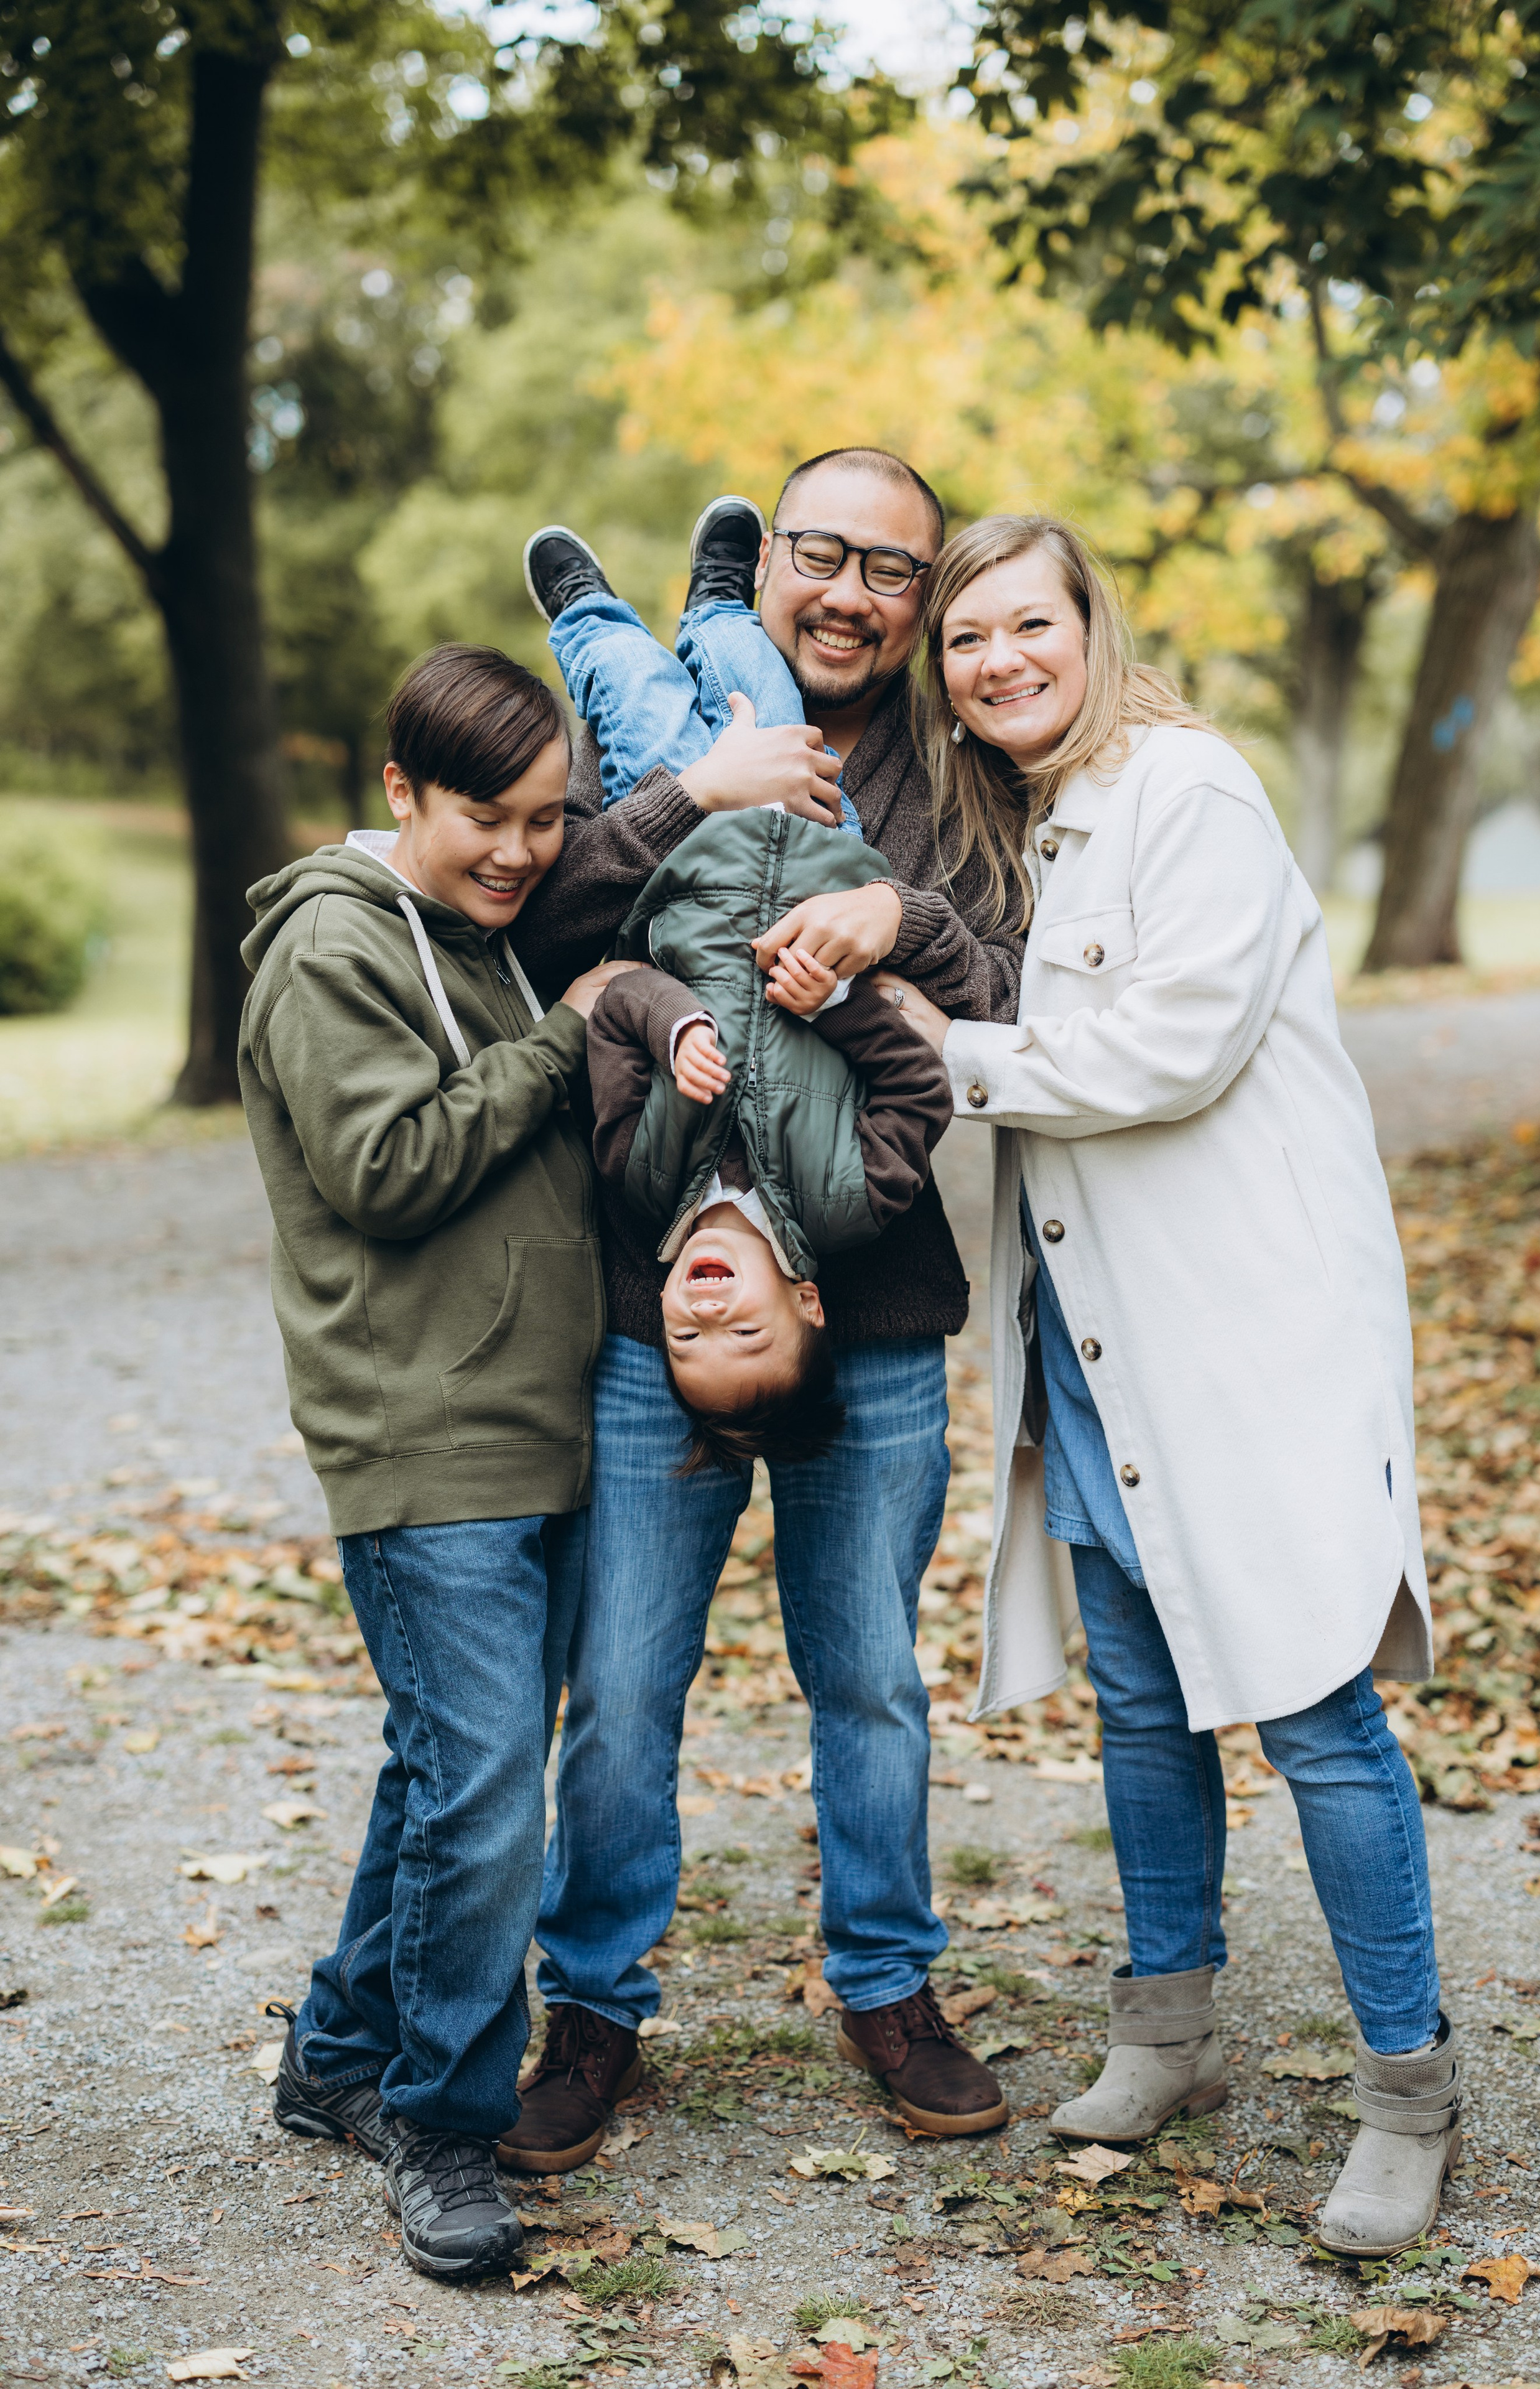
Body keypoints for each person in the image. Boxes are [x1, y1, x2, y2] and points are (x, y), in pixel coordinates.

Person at [895, 511, 1456, 2261]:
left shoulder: (1186, 790)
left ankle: (1409, 2094)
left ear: (1088, 622)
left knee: (1313, 1708)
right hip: (1095, 1330)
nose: (995, 661)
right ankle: (1168, 2032)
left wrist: (949, 1059)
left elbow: (1174, 1046)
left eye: (1022, 625)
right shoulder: (1040, 820)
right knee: (1141, 1703)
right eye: (965, 640)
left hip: (1248, 1323)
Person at [497, 449, 1027, 2173]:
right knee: (626, 1678)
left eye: (894, 571)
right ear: (778, 561)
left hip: (868, 1314)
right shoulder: (669, 739)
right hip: (667, 1303)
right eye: (825, 554)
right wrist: (695, 801)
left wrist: (900, 914)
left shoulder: (954, 771)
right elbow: (542, 924)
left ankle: (889, 1985)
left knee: (868, 1677)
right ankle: (592, 2012)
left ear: (922, 596)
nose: (856, 594)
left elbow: (1010, 977)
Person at [237, 645, 628, 2280]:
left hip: (524, 1422)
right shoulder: (335, 953)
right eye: (488, 815)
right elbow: (393, 1168)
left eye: (547, 819)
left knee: (445, 1771)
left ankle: (338, 2052)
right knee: (483, 1793)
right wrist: (570, 1037)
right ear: (401, 789)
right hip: (422, 1435)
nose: (522, 852)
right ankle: (448, 2121)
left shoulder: (479, 935)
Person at [585, 822, 952, 1458]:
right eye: (747, 1333)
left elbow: (616, 1004)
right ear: (807, 1302)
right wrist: (833, 1006)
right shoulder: (857, 1200)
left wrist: (674, 1029)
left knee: (643, 718)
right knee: (790, 731)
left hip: (696, 857)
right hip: (831, 859)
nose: (709, 1318)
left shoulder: (636, 1173)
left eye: (686, 1342)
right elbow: (918, 1088)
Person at [524, 499, 866, 835]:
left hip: (686, 872)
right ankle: (718, 617)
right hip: (819, 850)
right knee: (757, 670)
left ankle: (595, 625)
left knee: (637, 672)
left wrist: (698, 791)